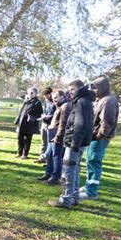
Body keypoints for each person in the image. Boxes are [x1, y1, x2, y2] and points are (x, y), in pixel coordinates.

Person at [49, 80, 95, 208]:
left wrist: (74, 144)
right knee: (75, 170)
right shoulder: (86, 101)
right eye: (69, 90)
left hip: (74, 143)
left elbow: (80, 125)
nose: (70, 92)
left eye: (72, 89)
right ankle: (74, 197)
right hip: (80, 143)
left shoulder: (81, 102)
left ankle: (65, 200)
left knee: (68, 171)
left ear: (80, 89)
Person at [79, 76, 119, 200]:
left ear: (103, 87)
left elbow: (106, 123)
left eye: (96, 88)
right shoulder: (101, 99)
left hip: (99, 138)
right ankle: (88, 185)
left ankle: (91, 192)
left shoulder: (108, 101)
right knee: (90, 161)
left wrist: (98, 136)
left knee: (94, 162)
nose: (94, 91)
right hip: (94, 137)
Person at [37, 90, 71, 184]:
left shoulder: (65, 106)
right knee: (50, 156)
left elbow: (63, 124)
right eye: (53, 98)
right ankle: (48, 174)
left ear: (62, 96)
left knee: (56, 156)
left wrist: (58, 137)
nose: (54, 100)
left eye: (56, 97)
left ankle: (55, 177)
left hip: (58, 135)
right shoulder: (59, 106)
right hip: (53, 132)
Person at [14, 87, 43, 159]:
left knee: (27, 139)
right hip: (22, 122)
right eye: (29, 93)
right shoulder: (26, 101)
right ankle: (19, 152)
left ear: (36, 94)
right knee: (20, 138)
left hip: (30, 124)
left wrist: (33, 116)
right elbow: (21, 111)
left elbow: (40, 113)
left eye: (32, 93)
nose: (30, 94)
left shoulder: (37, 102)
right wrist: (17, 120)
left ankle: (25, 154)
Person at [35, 87, 55, 163]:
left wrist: (49, 116)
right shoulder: (46, 102)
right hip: (44, 123)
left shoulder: (54, 102)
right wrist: (43, 116)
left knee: (50, 143)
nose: (45, 97)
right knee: (44, 142)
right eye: (44, 95)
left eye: (47, 95)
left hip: (51, 125)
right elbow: (44, 111)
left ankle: (49, 159)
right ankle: (42, 157)